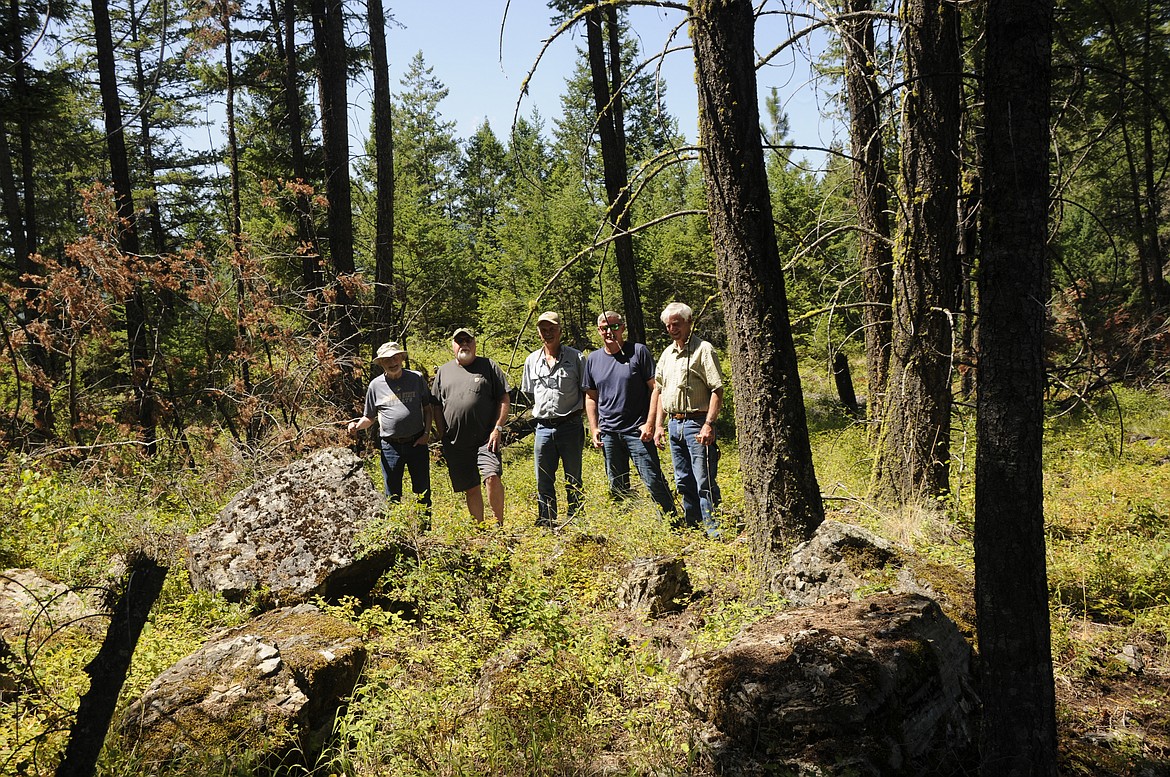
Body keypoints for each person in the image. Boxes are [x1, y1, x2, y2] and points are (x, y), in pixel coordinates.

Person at [582, 311, 677, 518]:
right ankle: (626, 524)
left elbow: (656, 389)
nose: (610, 331)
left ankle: (672, 521)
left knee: (652, 479)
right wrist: (594, 427)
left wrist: (650, 423)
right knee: (617, 485)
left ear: (623, 328)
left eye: (614, 326)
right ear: (599, 331)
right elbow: (590, 397)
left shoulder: (638, 352)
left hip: (637, 431)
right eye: (605, 328)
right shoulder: (593, 360)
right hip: (609, 432)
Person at [652, 302, 724, 536]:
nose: (672, 328)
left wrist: (709, 424)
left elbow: (716, 389)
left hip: (697, 423)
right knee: (683, 480)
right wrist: (658, 426)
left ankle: (714, 530)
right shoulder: (667, 354)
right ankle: (694, 527)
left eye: (677, 323)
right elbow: (660, 390)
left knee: (704, 481)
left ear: (688, 322)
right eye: (668, 325)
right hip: (674, 424)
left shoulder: (703, 349)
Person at [347, 341, 434, 522]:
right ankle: (394, 531)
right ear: (381, 364)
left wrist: (426, 434)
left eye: (395, 357)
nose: (392, 362)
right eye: (387, 360)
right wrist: (356, 426)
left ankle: (424, 531)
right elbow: (369, 417)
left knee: (422, 491)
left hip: (417, 443)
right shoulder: (375, 386)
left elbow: (427, 408)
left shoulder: (416, 379)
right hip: (390, 447)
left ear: (401, 358)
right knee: (392, 494)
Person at [431, 328, 511, 525]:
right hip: (456, 442)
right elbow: (435, 404)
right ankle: (480, 528)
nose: (464, 344)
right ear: (453, 345)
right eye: (459, 340)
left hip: (486, 438)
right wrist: (442, 433)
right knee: (471, 486)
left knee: (492, 476)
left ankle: (499, 526)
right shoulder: (443, 371)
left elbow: (504, 398)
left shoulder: (489, 366)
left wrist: (498, 428)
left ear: (474, 343)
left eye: (468, 340)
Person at [522, 311, 585, 528]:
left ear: (560, 330)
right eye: (543, 330)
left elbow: (587, 392)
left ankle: (576, 519)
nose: (547, 333)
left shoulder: (577, 358)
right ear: (539, 333)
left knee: (573, 476)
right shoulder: (531, 361)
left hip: (571, 426)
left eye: (551, 329)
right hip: (543, 428)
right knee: (544, 477)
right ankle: (546, 518)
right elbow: (530, 393)